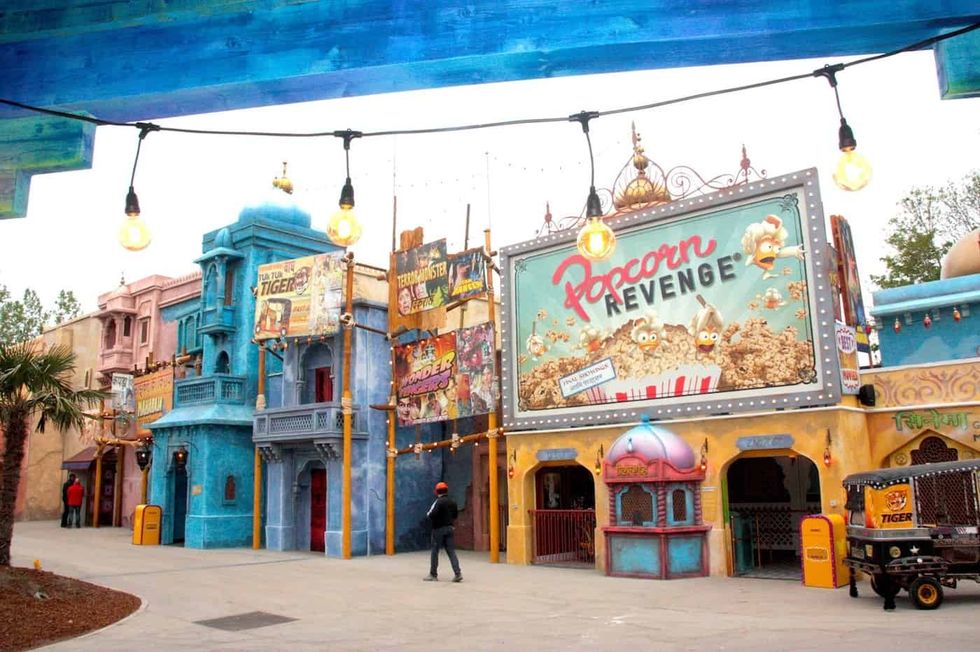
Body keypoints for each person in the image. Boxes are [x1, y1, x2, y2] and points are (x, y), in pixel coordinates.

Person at [424, 481, 462, 582]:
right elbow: (455, 515)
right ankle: (457, 573)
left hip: (438, 530)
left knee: (435, 551)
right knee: (451, 551)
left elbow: (431, 514)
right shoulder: (452, 502)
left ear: (436, 492)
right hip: (449, 528)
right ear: (447, 490)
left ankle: (433, 574)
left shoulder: (438, 502)